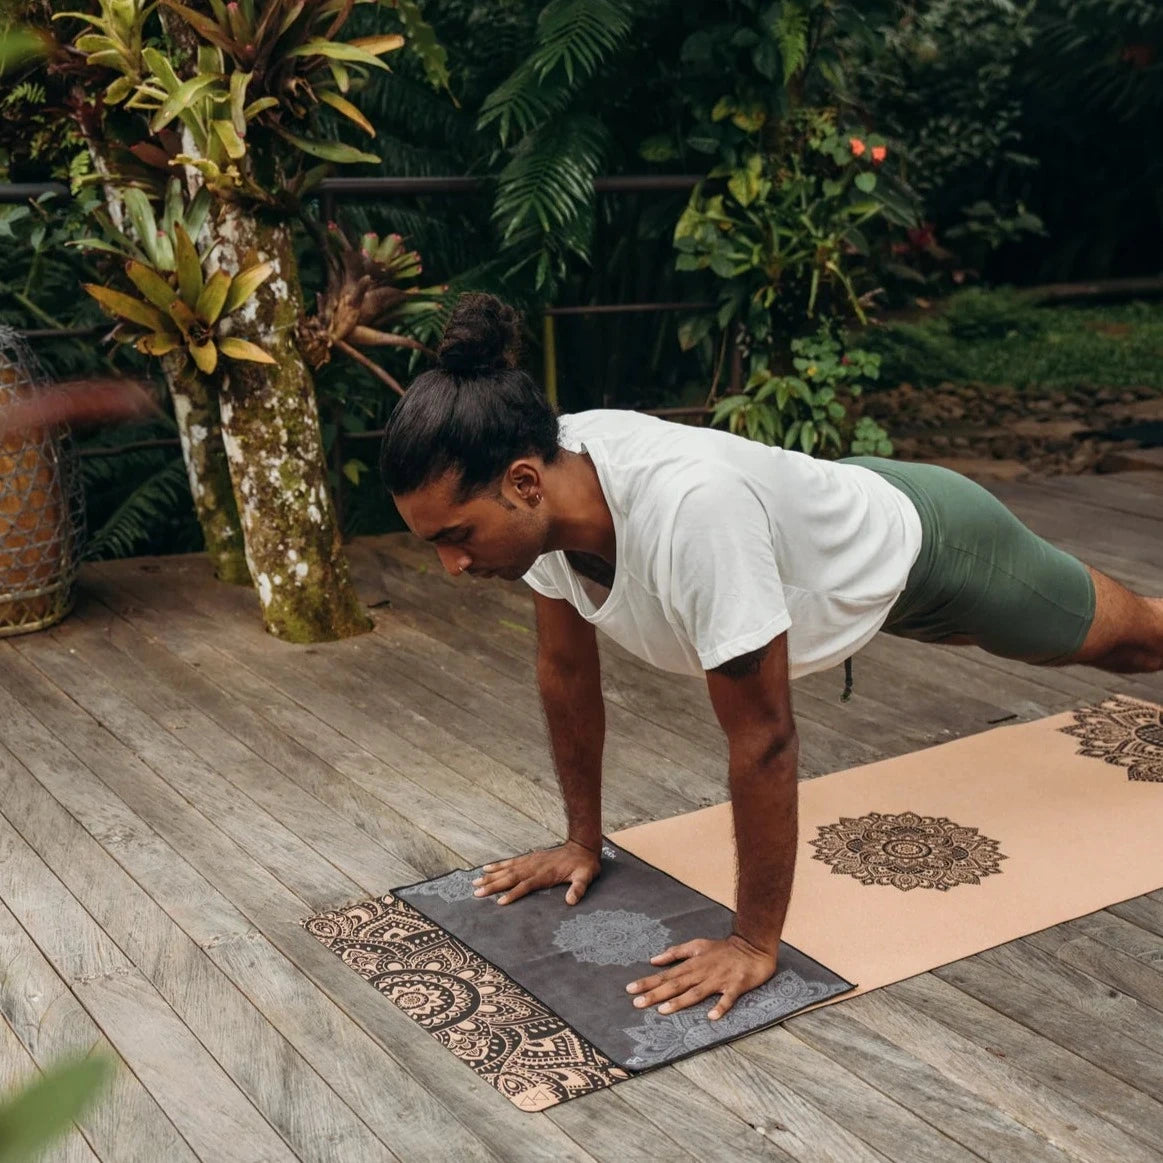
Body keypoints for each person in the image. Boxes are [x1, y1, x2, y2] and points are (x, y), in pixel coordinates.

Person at [381, 292, 1163, 1023]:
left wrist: (753, 943)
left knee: (1136, 647)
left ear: (523, 483)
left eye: (456, 535)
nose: (451, 565)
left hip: (937, 545)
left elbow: (765, 738)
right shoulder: (542, 497)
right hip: (841, 565)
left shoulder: (692, 511)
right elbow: (566, 673)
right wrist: (581, 841)